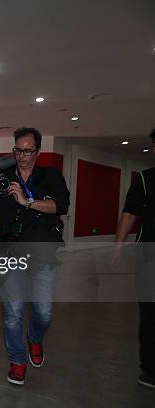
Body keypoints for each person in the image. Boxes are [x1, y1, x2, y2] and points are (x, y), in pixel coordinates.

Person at [0, 127, 69, 386]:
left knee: (43, 312)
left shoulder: (50, 175)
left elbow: (61, 205)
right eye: (18, 150)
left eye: (28, 150)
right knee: (13, 311)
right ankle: (17, 361)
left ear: (38, 151)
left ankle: (35, 339)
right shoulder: (3, 177)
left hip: (42, 251)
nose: (22, 155)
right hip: (9, 251)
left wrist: (27, 201)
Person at [114, 128, 155, 389]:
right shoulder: (145, 179)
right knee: (150, 314)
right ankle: (150, 369)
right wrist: (117, 246)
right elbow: (130, 214)